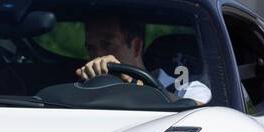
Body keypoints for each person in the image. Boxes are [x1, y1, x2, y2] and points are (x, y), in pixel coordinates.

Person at [76, 13, 212, 105]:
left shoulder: (183, 89)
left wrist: (134, 82)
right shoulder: (84, 90)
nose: (98, 56)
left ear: (136, 47)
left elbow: (202, 116)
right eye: (90, 48)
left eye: (107, 44)